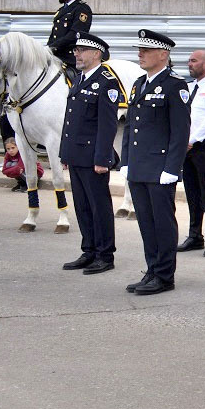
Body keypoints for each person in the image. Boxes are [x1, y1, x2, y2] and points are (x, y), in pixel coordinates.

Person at [121, 29, 190, 296]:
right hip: (139, 166)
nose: (140, 54)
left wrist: (172, 169)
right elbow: (130, 126)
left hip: (160, 168)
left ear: (163, 54)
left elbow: (180, 131)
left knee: (162, 222)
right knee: (146, 222)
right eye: (140, 50)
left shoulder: (175, 85)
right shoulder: (140, 83)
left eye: (146, 50)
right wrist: (126, 160)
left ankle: (164, 275)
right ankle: (151, 269)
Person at [59, 33, 123, 275]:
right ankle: (89, 250)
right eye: (76, 50)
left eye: (81, 50)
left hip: (93, 157)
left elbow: (107, 126)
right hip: (76, 154)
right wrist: (65, 153)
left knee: (99, 206)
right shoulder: (78, 79)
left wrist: (102, 159)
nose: (76, 53)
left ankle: (105, 254)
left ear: (96, 53)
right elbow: (71, 121)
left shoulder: (106, 82)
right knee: (83, 206)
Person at [178, 50, 205, 258]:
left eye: (193, 61)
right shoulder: (187, 87)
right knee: (192, 193)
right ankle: (195, 236)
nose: (189, 64)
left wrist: (192, 140)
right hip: (187, 147)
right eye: (189, 60)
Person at [47, 0, 92, 73]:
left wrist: (53, 47)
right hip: (56, 57)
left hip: (71, 59)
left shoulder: (82, 9)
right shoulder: (61, 10)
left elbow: (74, 35)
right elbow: (54, 35)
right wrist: (47, 50)